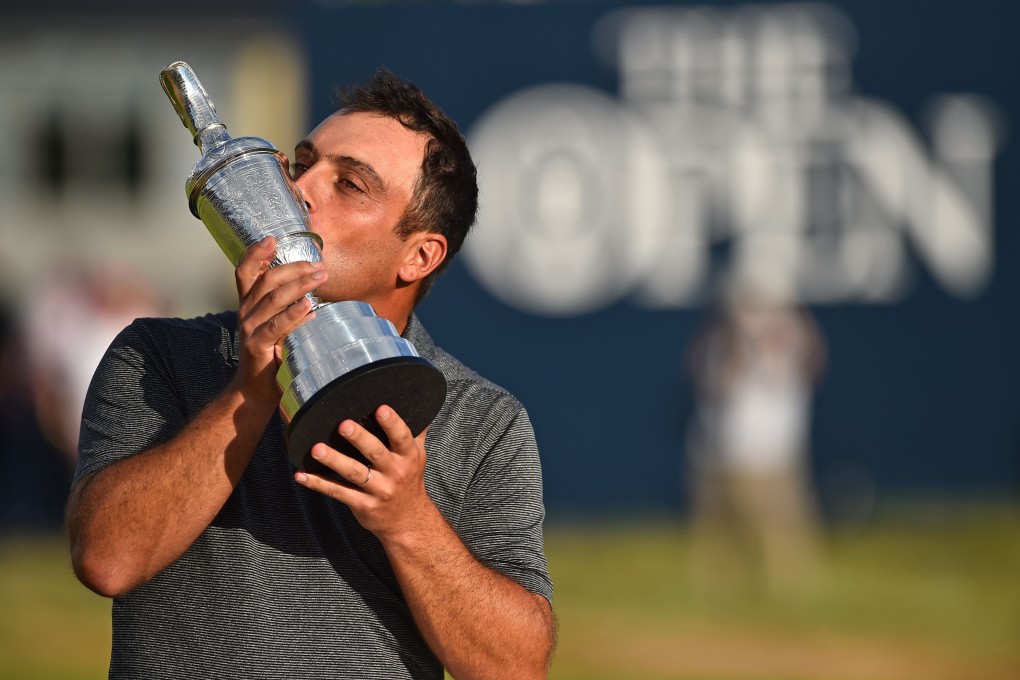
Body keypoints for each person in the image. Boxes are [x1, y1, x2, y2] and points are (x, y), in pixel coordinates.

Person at [66, 70, 556, 679]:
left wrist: (407, 521)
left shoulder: (484, 419)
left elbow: (516, 667)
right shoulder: (157, 355)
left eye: (348, 184)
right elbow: (107, 561)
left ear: (420, 255)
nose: (297, 188)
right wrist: (250, 389)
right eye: (300, 164)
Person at [685, 273, 825, 594]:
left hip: (766, 442)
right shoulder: (727, 336)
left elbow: (809, 363)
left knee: (777, 520)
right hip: (739, 443)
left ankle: (787, 578)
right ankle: (730, 577)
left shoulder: (786, 332)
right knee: (727, 520)